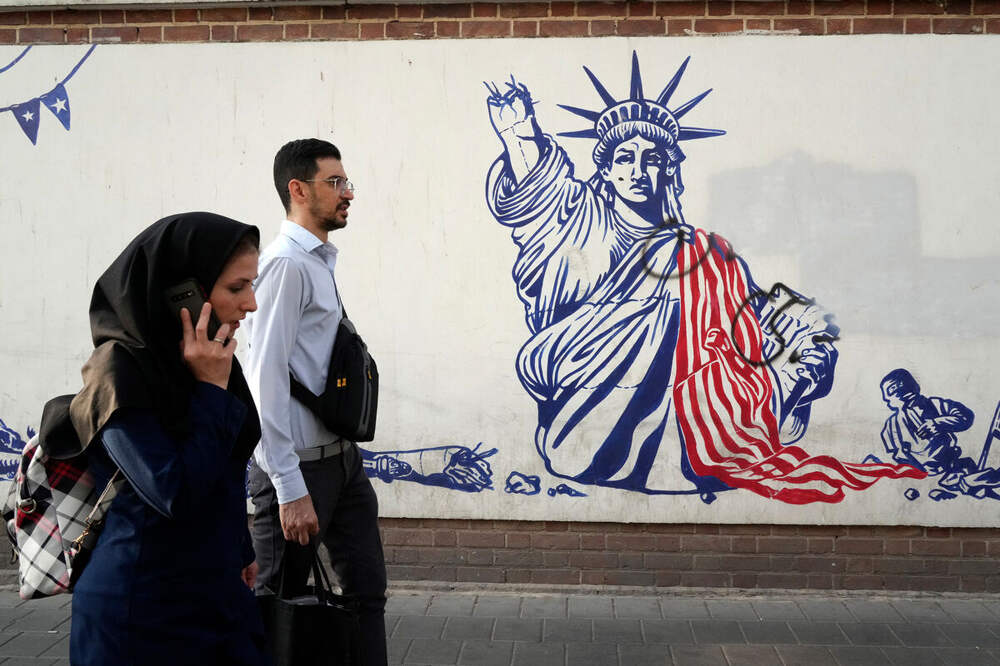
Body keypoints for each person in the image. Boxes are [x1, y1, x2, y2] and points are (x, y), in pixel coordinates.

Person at [485, 53, 923, 504]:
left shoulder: (706, 251)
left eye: (652, 159)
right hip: (584, 387)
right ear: (607, 169)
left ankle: (715, 436)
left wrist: (800, 327)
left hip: (695, 400)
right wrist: (520, 137)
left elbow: (745, 313)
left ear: (668, 169)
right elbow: (540, 196)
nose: (638, 171)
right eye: (625, 158)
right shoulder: (581, 222)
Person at [64, 212, 269, 665]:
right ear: (183, 293)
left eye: (251, 285)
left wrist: (240, 546)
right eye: (237, 287)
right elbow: (173, 490)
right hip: (141, 613)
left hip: (218, 599)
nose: (251, 304)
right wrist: (210, 390)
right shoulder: (117, 372)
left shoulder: (211, 361)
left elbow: (227, 465)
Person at [245, 138, 387, 665]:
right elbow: (263, 378)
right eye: (335, 182)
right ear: (298, 190)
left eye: (346, 182)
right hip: (299, 470)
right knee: (276, 608)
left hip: (342, 462)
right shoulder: (285, 266)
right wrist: (289, 487)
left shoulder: (317, 261)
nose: (347, 193)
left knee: (366, 595)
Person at [879, 368, 976, 477]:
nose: (886, 398)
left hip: (951, 466)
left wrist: (938, 423)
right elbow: (893, 455)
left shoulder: (935, 404)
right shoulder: (891, 425)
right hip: (919, 475)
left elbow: (966, 417)